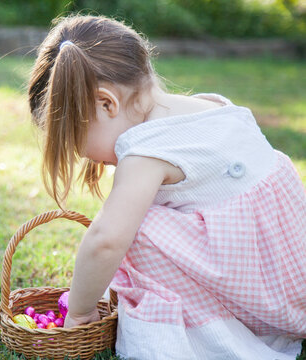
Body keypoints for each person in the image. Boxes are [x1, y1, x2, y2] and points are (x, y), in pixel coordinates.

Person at [27, 14, 306, 360]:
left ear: (107, 103)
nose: (88, 157)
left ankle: (201, 336)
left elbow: (105, 241)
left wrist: (81, 311)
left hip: (271, 296)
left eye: (79, 142)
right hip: (294, 280)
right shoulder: (211, 106)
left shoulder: (147, 150)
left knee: (137, 229)